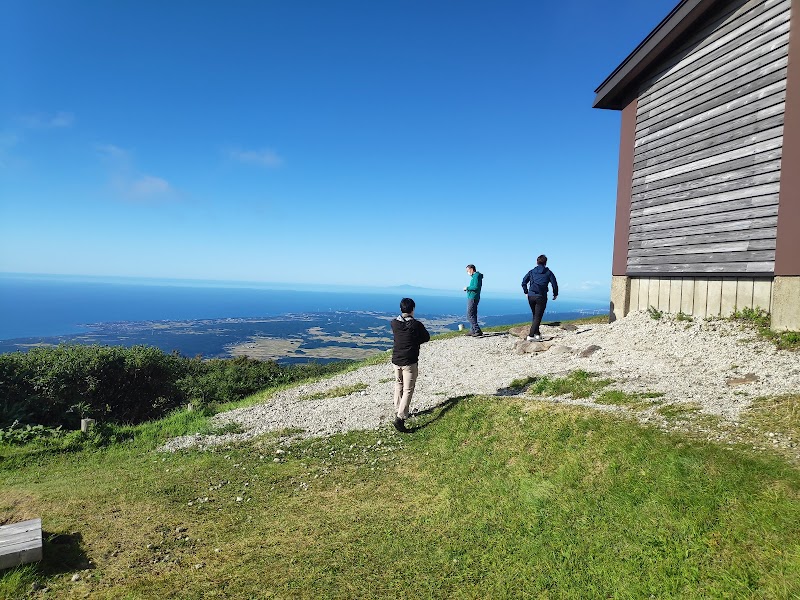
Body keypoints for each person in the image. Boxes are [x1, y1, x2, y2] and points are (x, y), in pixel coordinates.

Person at [390, 297, 431, 433]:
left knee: (398, 385)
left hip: (396, 360)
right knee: (408, 389)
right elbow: (426, 337)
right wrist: (415, 341)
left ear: (401, 309)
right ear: (412, 309)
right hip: (409, 361)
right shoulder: (416, 325)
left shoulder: (394, 323)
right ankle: (400, 418)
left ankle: (399, 409)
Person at [521, 255, 558, 342]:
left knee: (535, 315)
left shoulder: (531, 272)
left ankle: (537, 334)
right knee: (538, 316)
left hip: (531, 296)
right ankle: (530, 336)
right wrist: (555, 294)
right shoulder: (548, 272)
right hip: (541, 296)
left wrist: (526, 292)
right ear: (545, 262)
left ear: (537, 262)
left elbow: (523, 282)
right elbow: (554, 284)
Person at [463, 264, 484, 337]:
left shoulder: (476, 276)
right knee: (473, 314)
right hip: (474, 297)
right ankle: (472, 330)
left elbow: (475, 287)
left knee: (469, 315)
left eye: (467, 271)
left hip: (473, 297)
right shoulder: (475, 276)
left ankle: (477, 330)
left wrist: (467, 288)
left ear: (471, 269)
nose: (467, 272)